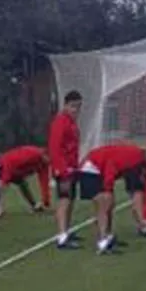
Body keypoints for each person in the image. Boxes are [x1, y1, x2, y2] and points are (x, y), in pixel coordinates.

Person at [77, 144, 146, 255]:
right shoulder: (134, 157)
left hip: (98, 169)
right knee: (104, 203)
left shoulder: (138, 158)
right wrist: (108, 188)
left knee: (109, 203)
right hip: (91, 168)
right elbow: (111, 164)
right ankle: (102, 241)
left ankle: (108, 236)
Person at [48, 90, 84, 249]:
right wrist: (61, 170)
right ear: (66, 105)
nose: (76, 110)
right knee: (64, 200)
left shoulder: (71, 122)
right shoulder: (60, 121)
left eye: (78, 107)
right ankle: (62, 236)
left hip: (72, 167)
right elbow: (55, 148)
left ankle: (66, 231)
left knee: (70, 200)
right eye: (73, 106)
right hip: (63, 169)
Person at [0, 145, 52, 218]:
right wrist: (5, 179)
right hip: (4, 165)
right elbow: (9, 162)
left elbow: (44, 182)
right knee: (1, 187)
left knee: (23, 185)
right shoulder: (32, 154)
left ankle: (34, 205)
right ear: (44, 155)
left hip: (18, 172)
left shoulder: (44, 164)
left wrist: (46, 201)